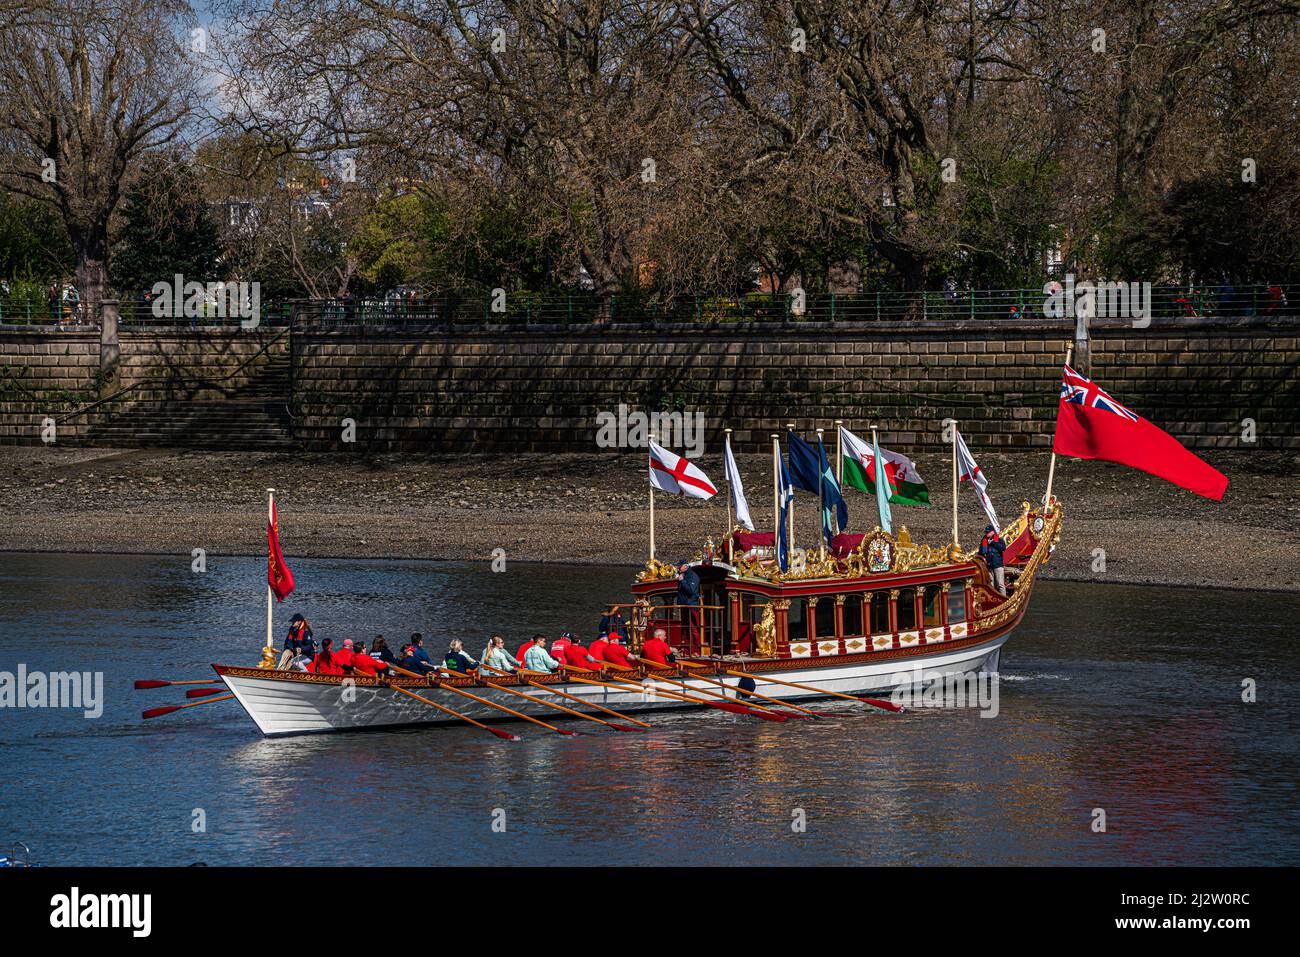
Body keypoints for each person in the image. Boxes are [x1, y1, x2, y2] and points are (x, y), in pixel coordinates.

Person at [675, 562, 701, 645]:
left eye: (680, 567)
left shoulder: (693, 576)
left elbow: (691, 590)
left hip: (691, 605)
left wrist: (682, 581)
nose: (678, 569)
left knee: (693, 627)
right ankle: (686, 647)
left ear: (685, 567)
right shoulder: (683, 574)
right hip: (684, 605)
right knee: (686, 627)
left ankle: (696, 649)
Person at [979, 525, 1007, 596]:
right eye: (986, 532)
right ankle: (994, 599)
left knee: (1000, 584)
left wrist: (992, 543)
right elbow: (981, 552)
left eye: (988, 532)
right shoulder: (984, 541)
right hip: (989, 566)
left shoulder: (999, 539)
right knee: (991, 585)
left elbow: (1002, 548)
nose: (986, 534)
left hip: (998, 565)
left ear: (992, 532)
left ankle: (1003, 598)